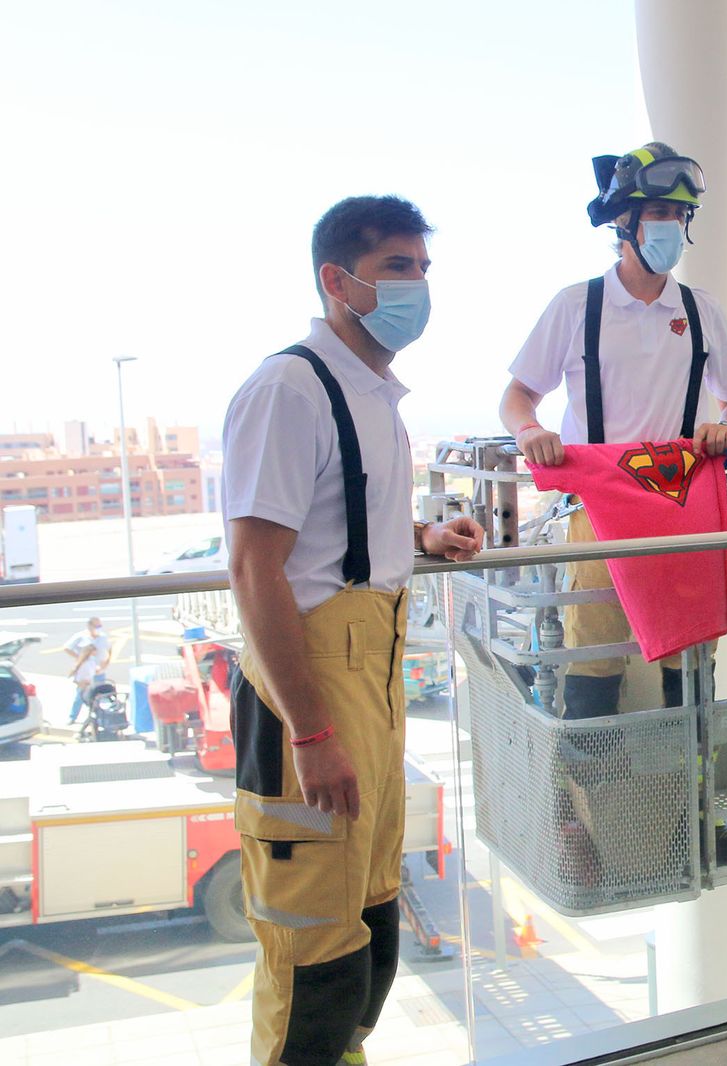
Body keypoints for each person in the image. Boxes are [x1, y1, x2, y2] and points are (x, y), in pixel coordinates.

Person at [223, 195, 483, 1066]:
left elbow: (337, 522)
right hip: (313, 684)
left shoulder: (374, 396)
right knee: (311, 943)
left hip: (375, 667)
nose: (418, 286)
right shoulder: (289, 388)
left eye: (422, 268)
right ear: (339, 282)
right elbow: (256, 566)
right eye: (397, 269)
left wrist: (422, 538)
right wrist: (314, 731)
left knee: (368, 911)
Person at [498, 142, 727, 860]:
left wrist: (723, 428)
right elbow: (518, 395)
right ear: (624, 224)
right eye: (659, 214)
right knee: (594, 660)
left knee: (689, 668)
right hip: (601, 512)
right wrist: (531, 432)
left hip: (682, 510)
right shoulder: (576, 306)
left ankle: (695, 819)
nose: (671, 226)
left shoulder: (701, 312)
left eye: (681, 214)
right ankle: (592, 825)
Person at [63, 616, 110, 724]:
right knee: (80, 696)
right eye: (96, 626)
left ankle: (100, 718)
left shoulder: (103, 637)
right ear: (89, 626)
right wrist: (80, 658)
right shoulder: (80, 636)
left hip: (99, 673)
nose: (99, 628)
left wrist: (105, 664)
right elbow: (66, 648)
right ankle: (73, 717)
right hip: (85, 674)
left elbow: (109, 650)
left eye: (100, 626)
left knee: (100, 696)